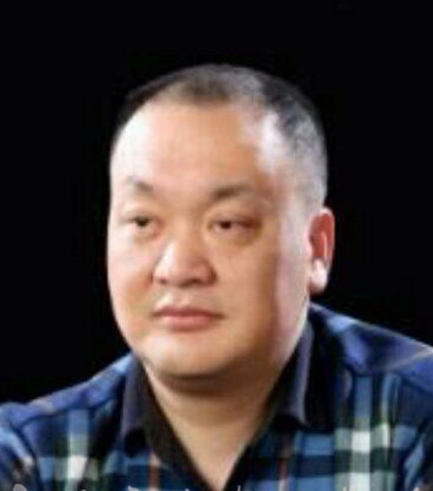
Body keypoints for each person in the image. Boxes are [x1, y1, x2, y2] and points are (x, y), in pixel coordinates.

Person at [0, 64, 431, 491]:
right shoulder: (33, 455)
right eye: (143, 221)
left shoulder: (412, 420)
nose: (178, 269)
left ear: (316, 248)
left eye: (227, 224)